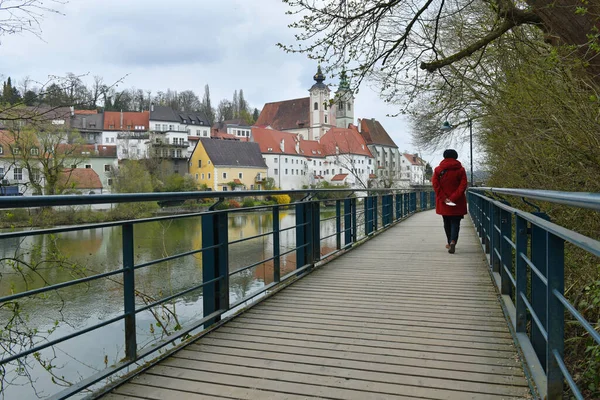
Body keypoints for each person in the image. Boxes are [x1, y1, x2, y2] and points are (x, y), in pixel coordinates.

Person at [432, 149, 468, 254]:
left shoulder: (438, 170)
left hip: (444, 202)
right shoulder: (461, 170)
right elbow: (463, 185)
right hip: (458, 201)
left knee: (446, 222)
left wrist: (445, 198)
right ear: (456, 157)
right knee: (455, 222)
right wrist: (453, 198)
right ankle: (453, 241)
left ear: (444, 157)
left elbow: (435, 185)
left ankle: (449, 241)